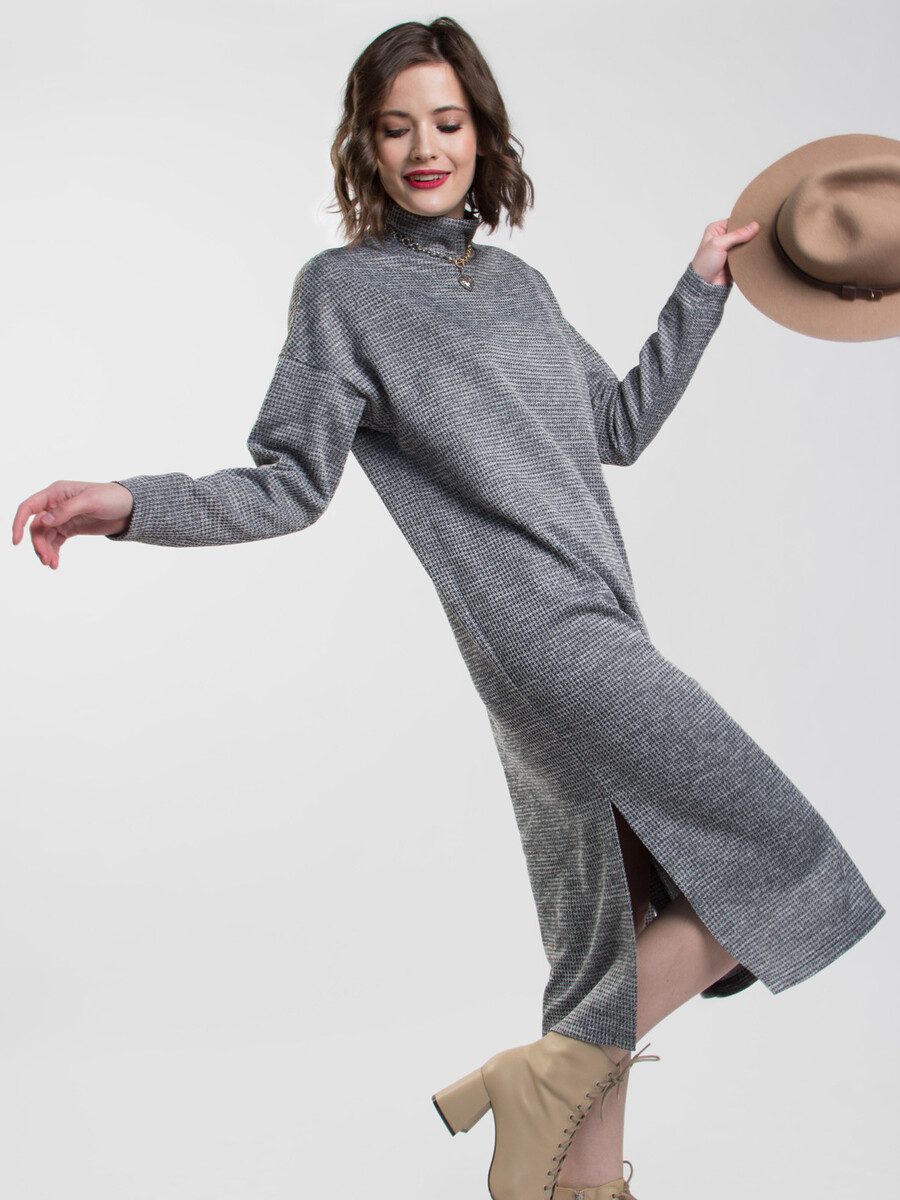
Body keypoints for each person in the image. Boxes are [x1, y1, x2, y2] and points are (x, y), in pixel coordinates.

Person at [11, 16, 885, 1200]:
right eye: (396, 127)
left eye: (447, 122)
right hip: (540, 636)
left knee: (602, 931)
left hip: (597, 619)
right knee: (777, 864)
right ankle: (547, 1077)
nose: (425, 148)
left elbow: (614, 427)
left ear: (483, 134)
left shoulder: (520, 286)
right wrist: (128, 504)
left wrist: (700, 293)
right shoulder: (343, 293)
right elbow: (290, 482)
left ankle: (572, 1180)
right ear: (364, 147)